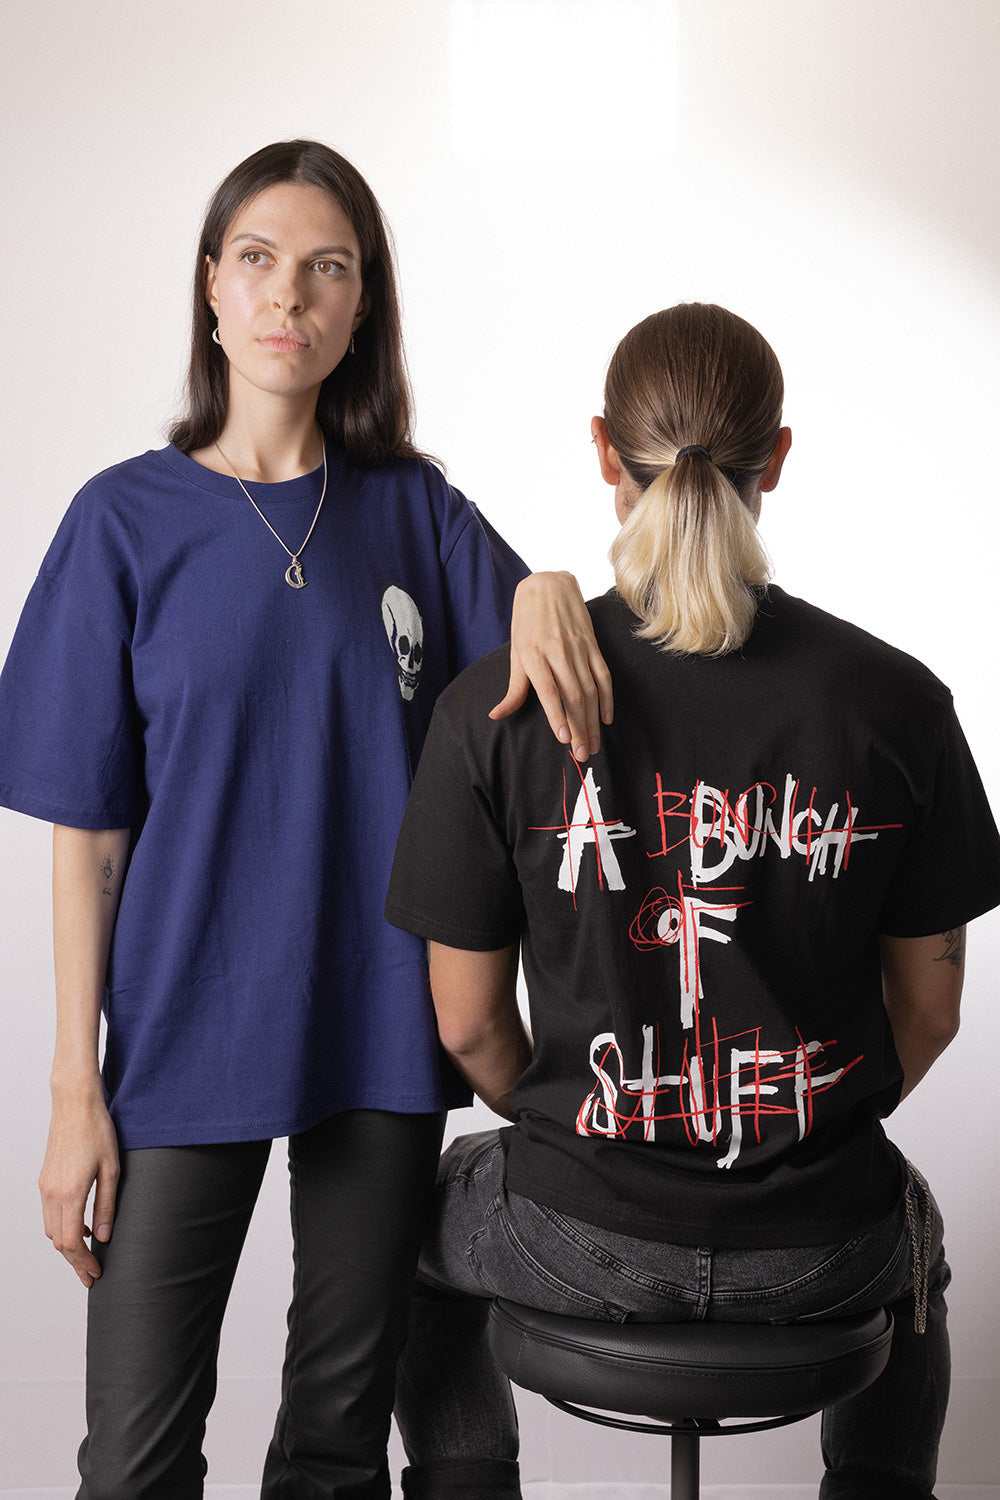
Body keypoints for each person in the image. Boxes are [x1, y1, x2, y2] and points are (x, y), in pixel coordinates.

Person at [0, 139, 612, 1499]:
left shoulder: (416, 513)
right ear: (211, 289)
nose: (290, 294)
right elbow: (88, 839)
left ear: (361, 304)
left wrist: (548, 582)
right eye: (260, 259)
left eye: (328, 267)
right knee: (133, 1464)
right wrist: (72, 1089)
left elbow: (556, 692)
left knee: (338, 1449)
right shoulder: (121, 523)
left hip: (379, 1022)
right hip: (182, 1031)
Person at [385, 302, 1000, 1500]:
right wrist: (804, 1132)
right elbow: (928, 1013)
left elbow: (464, 1023)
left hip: (573, 1230)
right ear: (778, 457)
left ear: (603, 452)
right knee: (909, 1240)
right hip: (819, 1246)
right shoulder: (897, 704)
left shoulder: (494, 709)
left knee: (406, 1228)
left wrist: (578, 1129)